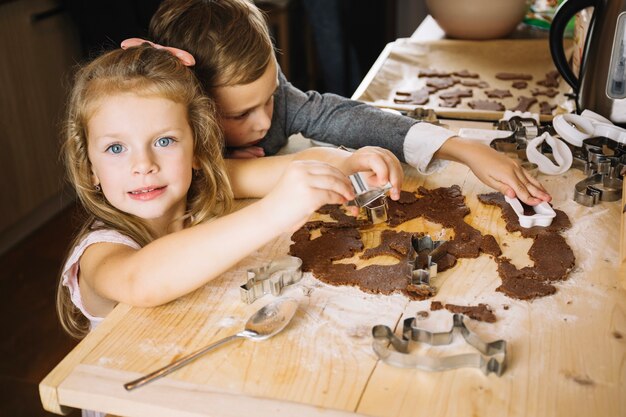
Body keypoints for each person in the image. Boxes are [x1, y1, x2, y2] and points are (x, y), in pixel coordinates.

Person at [57, 42, 403, 343]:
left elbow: (299, 165)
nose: (143, 164)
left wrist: (350, 162)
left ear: (196, 149)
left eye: (165, 141)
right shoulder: (99, 251)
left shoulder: (203, 183)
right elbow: (141, 282)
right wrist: (274, 211)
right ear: (90, 168)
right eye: (116, 148)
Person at [146, 0, 551, 206]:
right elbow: (192, 187)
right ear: (189, 106)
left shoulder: (276, 102)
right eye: (240, 114)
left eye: (271, 97)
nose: (265, 121)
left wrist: (460, 147)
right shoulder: (156, 133)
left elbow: (346, 117)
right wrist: (232, 171)